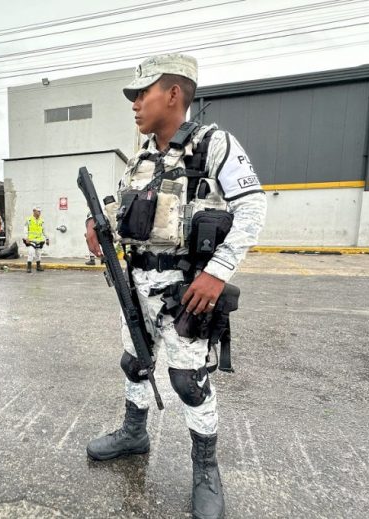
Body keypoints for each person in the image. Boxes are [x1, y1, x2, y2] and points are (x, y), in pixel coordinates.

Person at [84, 53, 266, 519]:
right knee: (135, 363)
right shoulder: (141, 157)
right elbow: (122, 210)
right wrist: (95, 223)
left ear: (173, 94)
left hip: (187, 289)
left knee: (187, 381)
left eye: (142, 94)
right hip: (137, 283)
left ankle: (206, 467)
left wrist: (217, 271)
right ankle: (134, 432)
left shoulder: (215, 144)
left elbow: (253, 208)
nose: (135, 104)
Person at [23, 206, 49, 273]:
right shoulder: (29, 220)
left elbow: (44, 230)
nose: (39, 213)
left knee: (38, 254)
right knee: (31, 252)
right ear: (34, 211)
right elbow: (25, 230)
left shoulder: (42, 221)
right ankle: (29, 267)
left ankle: (38, 266)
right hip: (31, 240)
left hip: (39, 240)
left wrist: (47, 238)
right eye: (38, 211)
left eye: (40, 211)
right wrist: (26, 238)